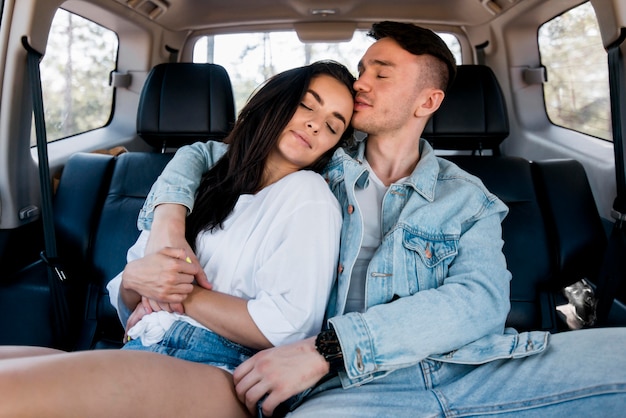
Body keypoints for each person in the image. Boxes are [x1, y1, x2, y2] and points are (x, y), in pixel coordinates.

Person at [136, 21, 626, 417]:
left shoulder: (468, 197)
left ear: (427, 102)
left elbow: (480, 302)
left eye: (381, 73)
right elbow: (208, 154)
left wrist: (329, 348)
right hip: (346, 389)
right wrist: (167, 223)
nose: (359, 83)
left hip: (471, 369)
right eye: (361, 69)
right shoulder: (313, 161)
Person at [0, 60, 355, 417]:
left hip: (222, 368)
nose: (314, 124)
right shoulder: (201, 180)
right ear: (274, 100)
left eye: (332, 126)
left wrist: (180, 294)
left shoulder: (309, 194)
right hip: (148, 344)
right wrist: (135, 281)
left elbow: (288, 327)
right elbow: (134, 284)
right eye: (307, 105)